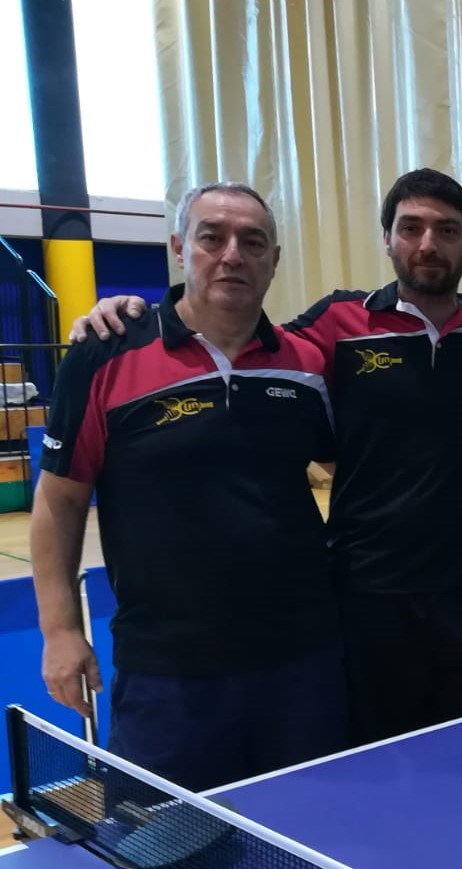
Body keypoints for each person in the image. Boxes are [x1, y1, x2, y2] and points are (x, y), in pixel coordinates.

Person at [77, 169, 462, 746]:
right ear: (387, 239)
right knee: (379, 757)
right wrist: (128, 316)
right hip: (365, 591)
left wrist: (456, 488)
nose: (428, 244)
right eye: (410, 227)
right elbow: (234, 334)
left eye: (446, 230)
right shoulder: (337, 322)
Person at [34, 182, 346, 789]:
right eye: (213, 237)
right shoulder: (105, 355)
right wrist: (62, 631)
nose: (232, 254)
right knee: (164, 860)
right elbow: (60, 501)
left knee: (310, 840)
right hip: (169, 671)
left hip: (302, 660)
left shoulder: (307, 364)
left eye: (253, 242)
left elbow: (353, 473)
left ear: (274, 260)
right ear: (180, 248)